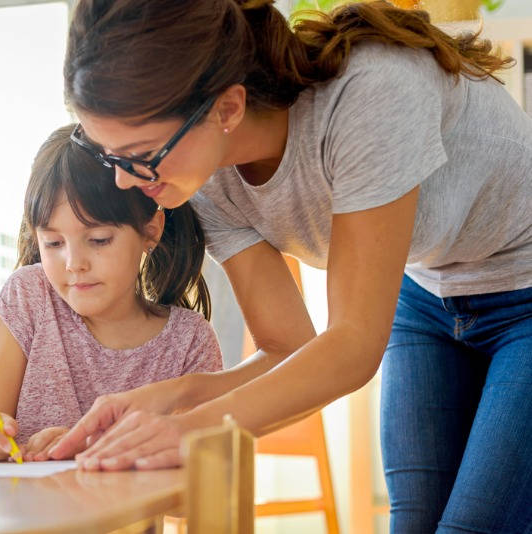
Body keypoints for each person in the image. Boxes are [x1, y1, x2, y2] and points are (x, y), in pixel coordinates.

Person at [46, 1, 532, 532]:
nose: (124, 181)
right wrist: (167, 401)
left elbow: (351, 346)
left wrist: (196, 429)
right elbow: (289, 349)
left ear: (227, 110)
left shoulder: (371, 93)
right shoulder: (204, 181)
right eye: (111, 156)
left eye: (139, 155)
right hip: (428, 293)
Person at [0, 125, 222, 462]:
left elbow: (200, 478)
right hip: (23, 512)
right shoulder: (27, 297)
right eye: (53, 243)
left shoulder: (189, 340)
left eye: (98, 240)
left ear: (150, 231)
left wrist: (86, 448)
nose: (74, 264)